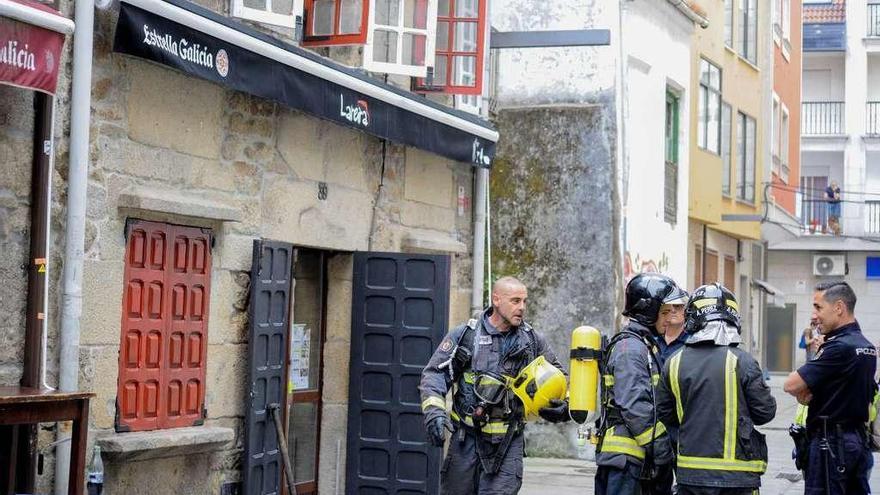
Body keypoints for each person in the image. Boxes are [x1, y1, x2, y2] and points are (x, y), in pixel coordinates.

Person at [419, 276, 568, 494]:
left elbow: (560, 377)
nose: (522, 308)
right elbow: (434, 374)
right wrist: (434, 411)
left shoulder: (532, 341)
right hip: (465, 442)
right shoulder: (466, 336)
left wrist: (564, 405)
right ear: (496, 300)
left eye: (524, 301)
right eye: (515, 301)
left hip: (508, 444)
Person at [656, 283, 776, 495]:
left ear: (692, 319)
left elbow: (665, 415)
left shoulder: (673, 362)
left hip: (690, 475)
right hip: (738, 477)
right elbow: (765, 413)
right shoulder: (744, 362)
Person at [783, 281, 877, 495]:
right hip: (856, 442)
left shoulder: (839, 347)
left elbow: (791, 384)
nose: (814, 315)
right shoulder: (866, 346)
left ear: (839, 308)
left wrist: (805, 389)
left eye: (818, 307)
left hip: (832, 444)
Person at [594, 273, 683, 495]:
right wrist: (661, 448)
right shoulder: (630, 349)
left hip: (636, 461)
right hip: (625, 462)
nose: (669, 319)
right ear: (648, 312)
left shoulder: (645, 346)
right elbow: (635, 406)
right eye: (664, 312)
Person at [654, 287, 689, 366]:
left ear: (686, 310)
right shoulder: (652, 339)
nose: (672, 310)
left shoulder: (691, 341)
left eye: (677, 306)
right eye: (668, 306)